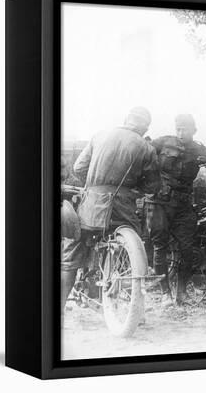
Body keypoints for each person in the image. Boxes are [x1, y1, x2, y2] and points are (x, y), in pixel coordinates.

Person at [60, 107, 161, 318]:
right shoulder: (146, 147)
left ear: (126, 119)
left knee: (70, 258)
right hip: (122, 210)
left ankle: (57, 309)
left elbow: (79, 168)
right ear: (145, 127)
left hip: (91, 206)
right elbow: (152, 186)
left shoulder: (100, 135)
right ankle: (134, 312)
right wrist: (133, 188)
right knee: (133, 251)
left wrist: (95, 184)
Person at [146, 114, 206, 306]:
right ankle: (165, 294)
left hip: (184, 205)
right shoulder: (163, 142)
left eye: (185, 129)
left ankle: (181, 292)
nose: (180, 132)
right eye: (178, 128)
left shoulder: (198, 148)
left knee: (187, 249)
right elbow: (142, 155)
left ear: (194, 130)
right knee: (159, 246)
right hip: (159, 202)